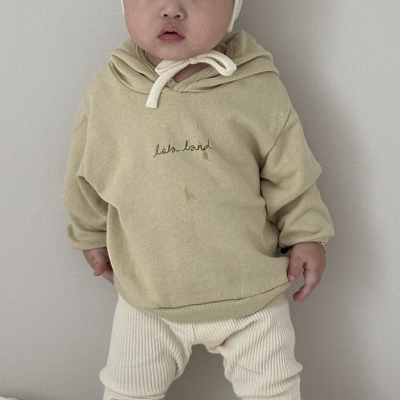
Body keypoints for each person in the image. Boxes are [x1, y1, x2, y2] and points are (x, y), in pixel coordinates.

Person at [63, 0, 334, 399]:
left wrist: (307, 234)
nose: (171, 9)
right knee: (127, 390)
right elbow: (85, 169)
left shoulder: (257, 87)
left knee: (274, 389)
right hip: (149, 295)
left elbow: (290, 173)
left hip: (251, 292)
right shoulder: (110, 90)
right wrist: (90, 234)